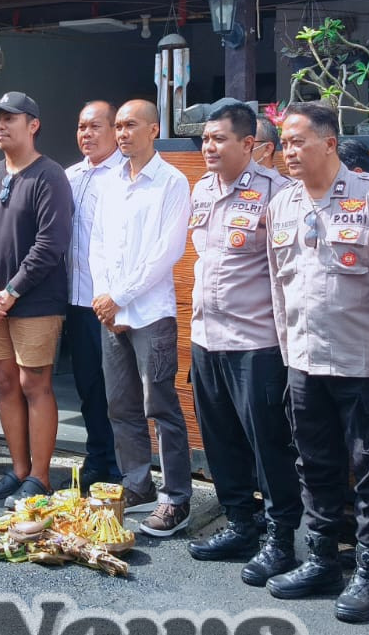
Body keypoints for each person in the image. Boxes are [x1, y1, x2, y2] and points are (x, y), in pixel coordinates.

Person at [266, 103, 369, 620]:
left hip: (365, 362)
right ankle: (320, 559)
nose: (289, 152)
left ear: (329, 143)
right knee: (313, 464)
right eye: (284, 142)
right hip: (304, 359)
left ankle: (368, 571)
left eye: (299, 141)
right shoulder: (281, 204)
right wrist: (286, 350)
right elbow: (281, 285)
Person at [185, 102, 302, 580]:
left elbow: (287, 273)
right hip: (205, 336)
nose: (208, 147)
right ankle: (239, 523)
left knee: (268, 445)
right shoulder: (201, 190)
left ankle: (281, 539)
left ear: (249, 144)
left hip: (256, 342)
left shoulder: (278, 195)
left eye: (219, 139)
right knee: (220, 440)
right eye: (205, 139)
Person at [0, 91, 74, 505]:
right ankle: (18, 469)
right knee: (5, 381)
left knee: (35, 383)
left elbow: (51, 243)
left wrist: (11, 291)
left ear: (34, 125)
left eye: (11, 118)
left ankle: (41, 478)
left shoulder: (50, 176)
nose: (1, 125)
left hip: (36, 301)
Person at [91, 99, 193, 536]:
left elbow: (165, 253)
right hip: (109, 312)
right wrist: (102, 296)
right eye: (118, 126)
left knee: (161, 406)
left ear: (154, 130)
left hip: (150, 312)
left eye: (131, 125)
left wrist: (120, 297)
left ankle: (176, 499)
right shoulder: (111, 181)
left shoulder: (172, 182)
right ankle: (137, 483)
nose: (122, 133)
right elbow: (96, 243)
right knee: (120, 405)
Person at [64, 101, 125, 489]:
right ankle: (97, 456)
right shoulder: (68, 176)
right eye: (81, 127)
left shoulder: (125, 174)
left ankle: (123, 464)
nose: (86, 134)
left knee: (118, 388)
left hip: (112, 301)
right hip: (76, 298)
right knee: (87, 384)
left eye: (95, 127)